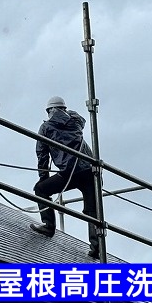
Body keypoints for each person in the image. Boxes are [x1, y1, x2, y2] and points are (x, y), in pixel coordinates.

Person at [30, 96, 100, 259]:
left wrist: (43, 177)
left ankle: (49, 226)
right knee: (92, 211)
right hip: (90, 171)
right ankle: (96, 247)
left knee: (40, 189)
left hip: (69, 171)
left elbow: (42, 155)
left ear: (51, 110)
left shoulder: (46, 127)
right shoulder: (76, 123)